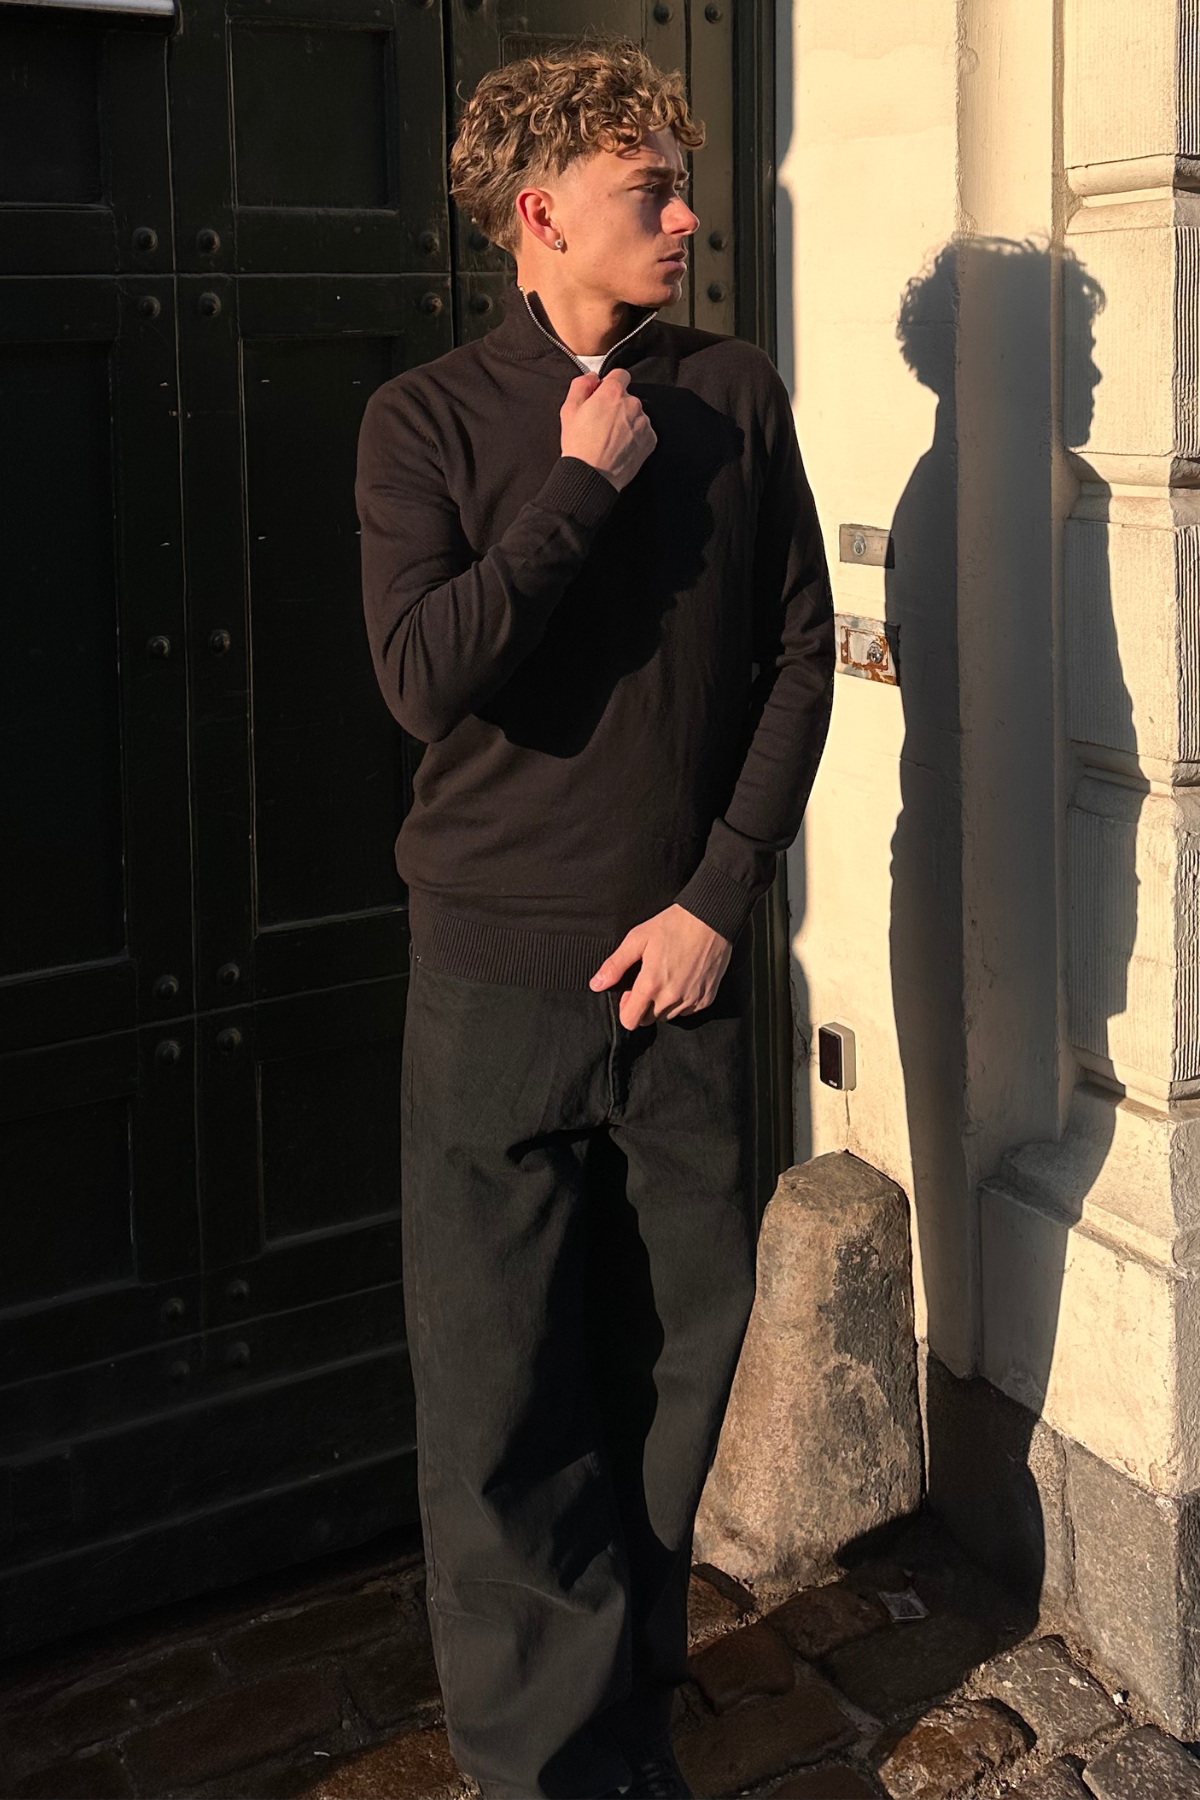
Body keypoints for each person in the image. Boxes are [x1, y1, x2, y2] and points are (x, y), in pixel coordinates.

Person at [355, 38, 834, 1800]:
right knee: (498, 1402)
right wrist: (578, 489)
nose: (690, 221)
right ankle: (540, 1769)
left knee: (668, 1368)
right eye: (654, 193)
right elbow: (425, 677)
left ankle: (624, 1719)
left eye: (684, 188)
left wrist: (719, 899)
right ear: (540, 214)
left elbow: (800, 657)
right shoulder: (423, 422)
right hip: (494, 988)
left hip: (681, 987)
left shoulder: (735, 393)